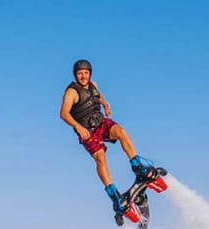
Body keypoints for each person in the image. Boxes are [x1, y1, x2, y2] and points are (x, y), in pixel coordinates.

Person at [60, 59, 160, 215]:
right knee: (100, 157)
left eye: (86, 73)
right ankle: (115, 196)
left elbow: (97, 95)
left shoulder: (93, 85)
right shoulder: (71, 92)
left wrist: (105, 104)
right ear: (75, 75)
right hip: (87, 131)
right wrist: (78, 127)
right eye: (80, 73)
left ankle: (137, 166)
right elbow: (63, 114)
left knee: (121, 131)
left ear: (90, 73)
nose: (83, 76)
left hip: (101, 123)